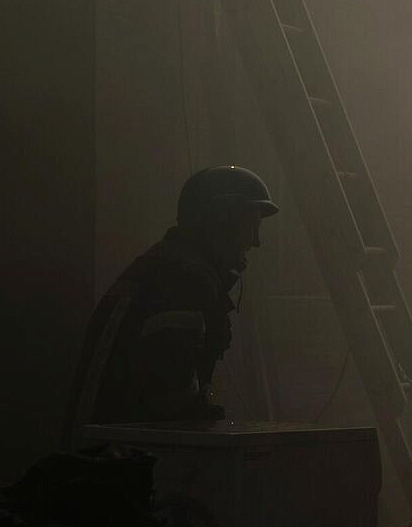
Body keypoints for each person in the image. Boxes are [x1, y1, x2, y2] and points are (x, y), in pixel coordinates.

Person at [63, 166, 278, 441]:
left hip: (108, 449)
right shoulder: (183, 281)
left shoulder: (166, 266)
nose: (255, 242)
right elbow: (172, 400)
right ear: (222, 221)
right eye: (251, 227)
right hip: (123, 455)